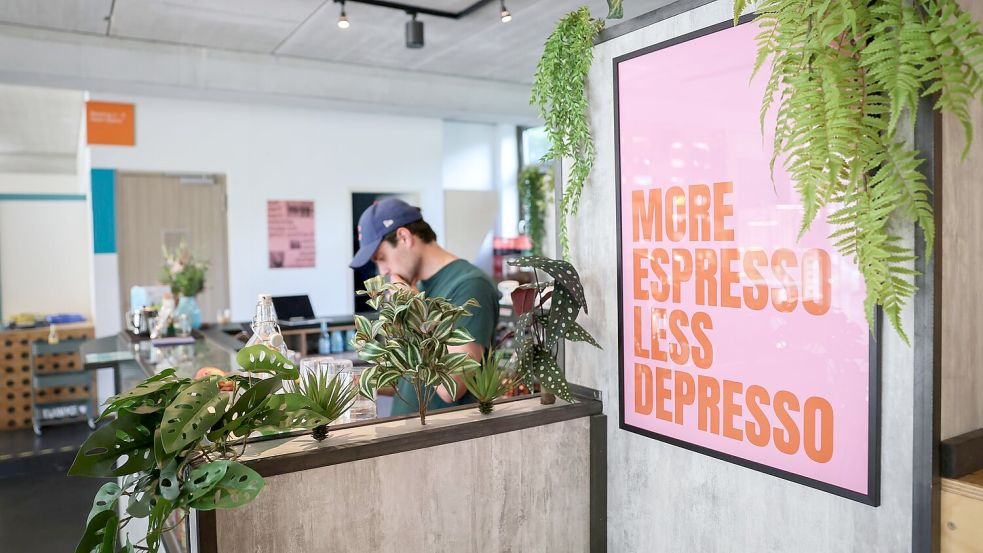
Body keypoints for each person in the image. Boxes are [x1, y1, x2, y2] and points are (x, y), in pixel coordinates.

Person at [349, 198, 499, 415]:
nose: (383, 271)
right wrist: (362, 382)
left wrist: (415, 311)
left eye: (382, 257)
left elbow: (452, 386)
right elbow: (411, 378)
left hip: (443, 440)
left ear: (404, 237)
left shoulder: (470, 285)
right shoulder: (416, 286)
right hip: (406, 435)